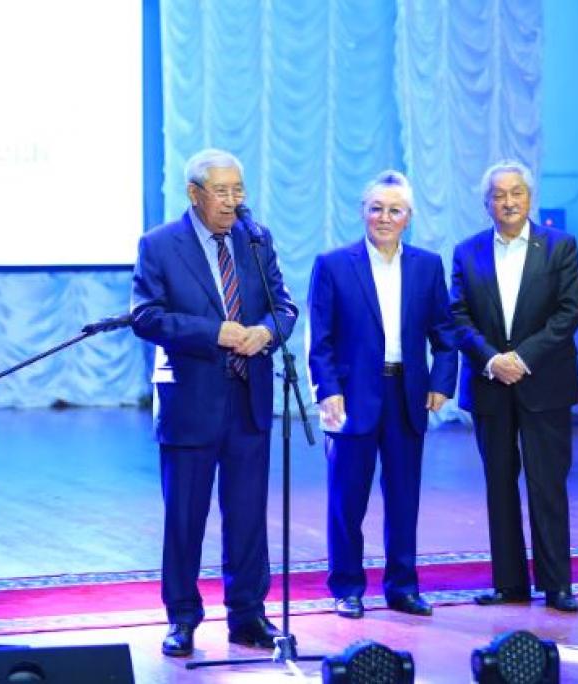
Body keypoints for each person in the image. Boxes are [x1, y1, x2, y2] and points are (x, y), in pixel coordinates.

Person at [130, 148, 298, 656]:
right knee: (185, 519)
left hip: (249, 399)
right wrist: (214, 333)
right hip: (191, 401)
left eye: (237, 190)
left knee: (247, 517)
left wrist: (266, 332)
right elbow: (145, 316)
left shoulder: (255, 238)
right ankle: (182, 618)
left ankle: (248, 616)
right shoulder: (160, 244)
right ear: (194, 193)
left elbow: (284, 306)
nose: (231, 201)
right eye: (221, 191)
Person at [307, 171, 457, 619]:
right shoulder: (333, 264)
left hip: (407, 395)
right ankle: (347, 587)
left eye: (395, 210)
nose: (385, 217)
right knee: (346, 499)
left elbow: (444, 333)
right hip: (351, 397)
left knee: (404, 499)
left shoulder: (427, 266)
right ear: (363, 212)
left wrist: (441, 382)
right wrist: (327, 390)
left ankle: (402, 587)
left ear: (408, 217)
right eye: (377, 208)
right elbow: (320, 339)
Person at [449, 160, 578, 613]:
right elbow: (458, 317)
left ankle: (557, 584)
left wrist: (522, 360)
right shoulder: (467, 252)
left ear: (529, 197)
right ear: (486, 204)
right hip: (490, 386)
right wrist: (493, 360)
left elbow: (569, 312)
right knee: (499, 486)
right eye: (499, 195)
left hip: (545, 383)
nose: (508, 202)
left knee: (548, 486)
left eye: (516, 193)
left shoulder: (560, 247)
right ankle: (509, 584)